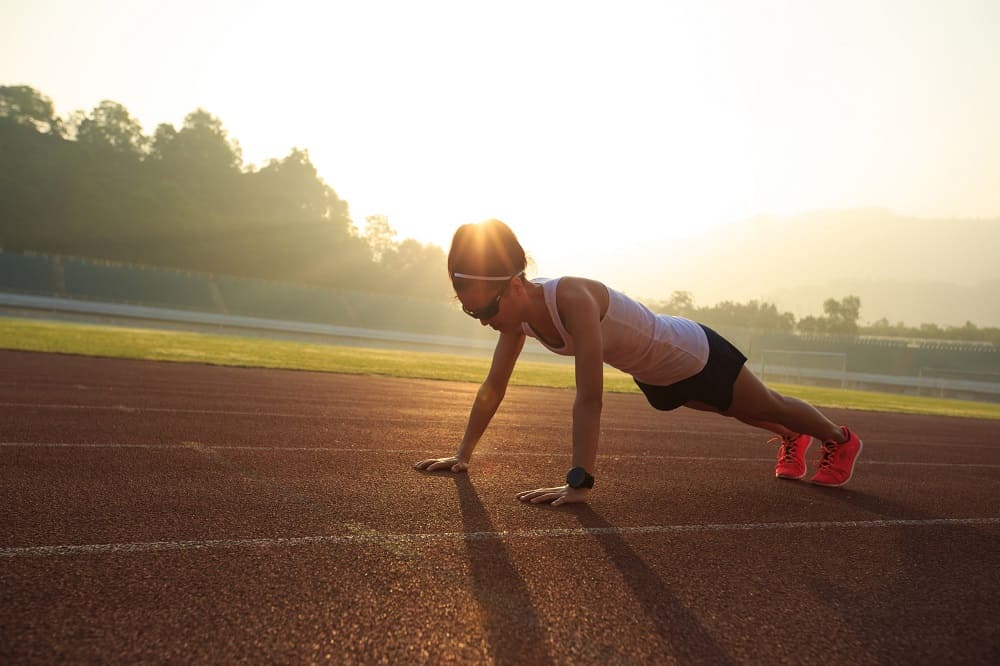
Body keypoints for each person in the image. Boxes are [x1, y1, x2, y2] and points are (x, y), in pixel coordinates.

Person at [413, 219, 863, 506]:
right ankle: (791, 436)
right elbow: (494, 385)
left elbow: (589, 397)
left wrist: (579, 481)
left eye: (485, 310)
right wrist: (461, 455)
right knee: (739, 410)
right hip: (655, 375)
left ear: (513, 285)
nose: (482, 321)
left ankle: (840, 439)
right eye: (471, 314)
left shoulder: (572, 297)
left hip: (692, 351)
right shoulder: (515, 321)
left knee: (768, 403)